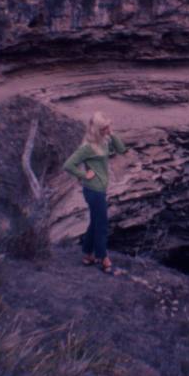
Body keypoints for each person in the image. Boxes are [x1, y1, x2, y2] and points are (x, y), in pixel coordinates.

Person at [63, 111, 126, 273]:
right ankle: (103, 257)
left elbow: (121, 149)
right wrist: (84, 175)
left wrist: (112, 134)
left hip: (100, 189)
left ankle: (87, 255)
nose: (108, 129)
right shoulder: (87, 147)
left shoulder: (104, 141)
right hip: (93, 190)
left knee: (95, 222)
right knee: (102, 224)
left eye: (109, 126)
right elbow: (68, 165)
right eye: (105, 127)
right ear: (97, 129)